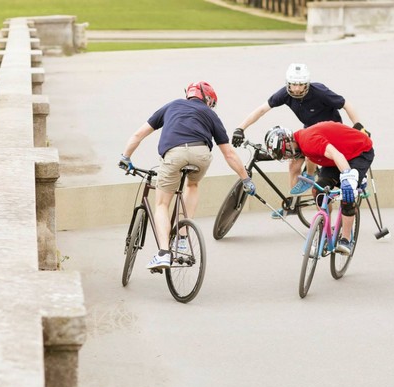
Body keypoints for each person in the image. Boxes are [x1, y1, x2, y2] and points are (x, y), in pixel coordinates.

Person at [120, 81, 255, 271]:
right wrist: (245, 179)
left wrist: (126, 157)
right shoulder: (210, 114)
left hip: (174, 154)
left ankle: (163, 253)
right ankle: (182, 237)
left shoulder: (172, 106)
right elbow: (229, 153)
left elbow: (138, 135)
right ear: (207, 99)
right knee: (192, 185)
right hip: (201, 155)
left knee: (161, 205)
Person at [230, 63, 370, 218]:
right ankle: (291, 204)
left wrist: (358, 125)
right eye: (293, 85)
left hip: (330, 134)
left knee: (311, 153)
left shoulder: (320, 92)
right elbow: (262, 109)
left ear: (307, 84)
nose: (296, 89)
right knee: (293, 164)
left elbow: (346, 104)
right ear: (288, 84)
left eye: (300, 85)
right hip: (309, 131)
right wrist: (240, 128)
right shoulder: (285, 94)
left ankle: (311, 177)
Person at [263, 121, 374, 255]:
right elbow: (310, 160)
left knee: (347, 193)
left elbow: (336, 154)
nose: (287, 156)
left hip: (358, 152)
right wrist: (309, 178)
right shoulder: (300, 145)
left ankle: (346, 239)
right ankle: (326, 228)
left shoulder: (308, 141)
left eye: (284, 153)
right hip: (334, 159)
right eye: (283, 156)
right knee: (318, 191)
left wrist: (346, 177)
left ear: (288, 141)